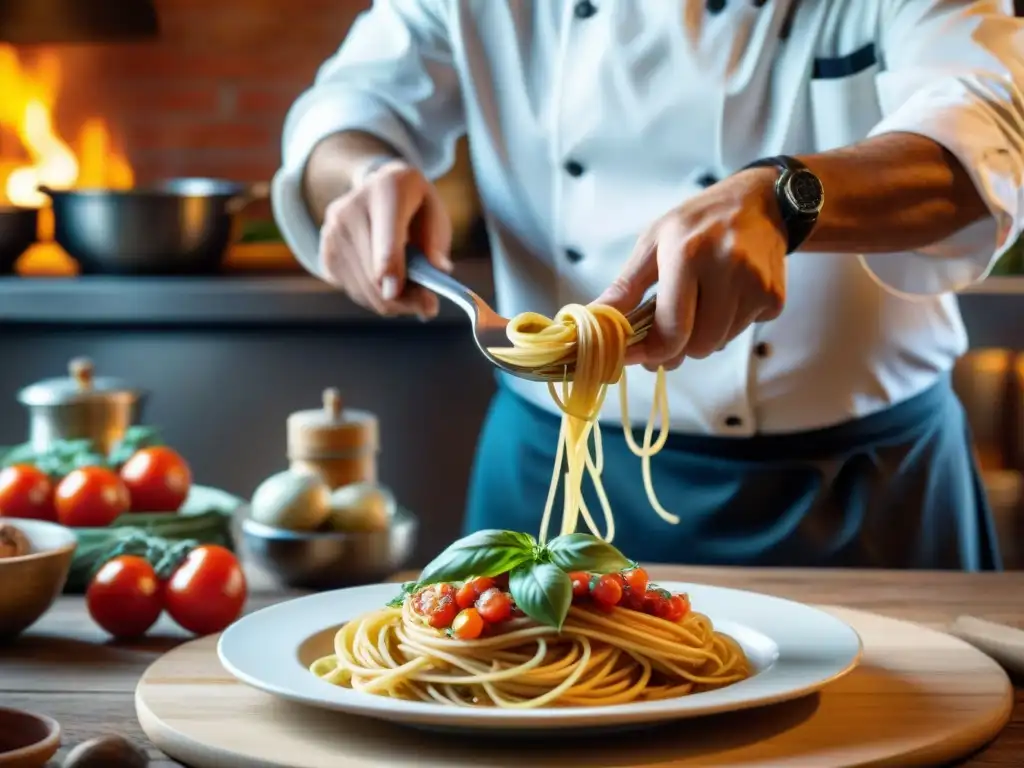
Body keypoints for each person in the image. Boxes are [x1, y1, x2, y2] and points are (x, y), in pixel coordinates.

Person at [272, 0, 1024, 570]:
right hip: (547, 474)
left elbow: (988, 132)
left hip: (863, 489)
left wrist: (789, 197)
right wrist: (362, 176)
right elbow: (347, 108)